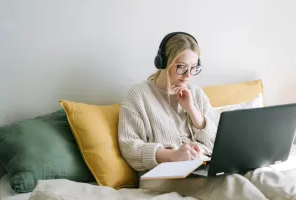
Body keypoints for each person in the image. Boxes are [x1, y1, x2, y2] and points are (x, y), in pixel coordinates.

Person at [118, 32, 296, 200]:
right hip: (161, 174)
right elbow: (130, 148)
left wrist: (192, 110)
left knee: (259, 174)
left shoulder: (195, 93)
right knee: (233, 184)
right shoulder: (138, 95)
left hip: (203, 164)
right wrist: (173, 155)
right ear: (163, 62)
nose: (188, 75)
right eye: (181, 67)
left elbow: (217, 142)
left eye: (194, 68)